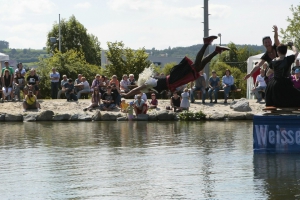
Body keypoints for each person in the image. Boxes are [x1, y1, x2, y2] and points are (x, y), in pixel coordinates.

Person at [121, 36, 229, 98]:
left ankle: (207, 44)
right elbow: (139, 91)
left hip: (174, 78)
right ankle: (216, 50)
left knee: (196, 67)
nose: (143, 90)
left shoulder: (150, 83)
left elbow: (137, 89)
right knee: (197, 68)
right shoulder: (150, 86)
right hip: (175, 80)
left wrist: (126, 95)